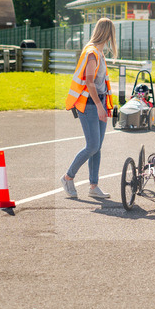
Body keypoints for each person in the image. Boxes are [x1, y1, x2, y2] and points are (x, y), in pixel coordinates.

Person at [60, 18, 117, 199]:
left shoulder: (99, 53)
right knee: (92, 146)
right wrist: (100, 107)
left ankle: (93, 186)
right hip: (90, 105)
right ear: (107, 34)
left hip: (98, 102)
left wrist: (105, 105)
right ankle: (68, 177)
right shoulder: (92, 53)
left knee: (97, 147)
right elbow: (89, 82)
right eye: (111, 34)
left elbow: (101, 84)